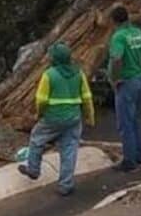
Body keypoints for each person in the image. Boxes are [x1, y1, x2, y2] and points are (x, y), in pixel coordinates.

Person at [17, 42, 95, 196]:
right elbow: (87, 98)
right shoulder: (79, 74)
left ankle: (33, 169)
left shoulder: (49, 75)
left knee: (37, 138)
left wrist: (40, 114)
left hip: (52, 117)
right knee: (69, 149)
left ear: (54, 58)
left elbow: (41, 100)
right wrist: (90, 117)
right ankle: (66, 185)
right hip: (73, 118)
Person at [108, 6, 141, 172]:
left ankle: (129, 160)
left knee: (125, 123)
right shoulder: (137, 33)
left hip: (127, 83)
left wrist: (115, 78)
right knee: (134, 120)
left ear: (113, 20)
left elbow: (117, 58)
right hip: (140, 79)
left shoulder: (118, 37)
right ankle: (140, 155)